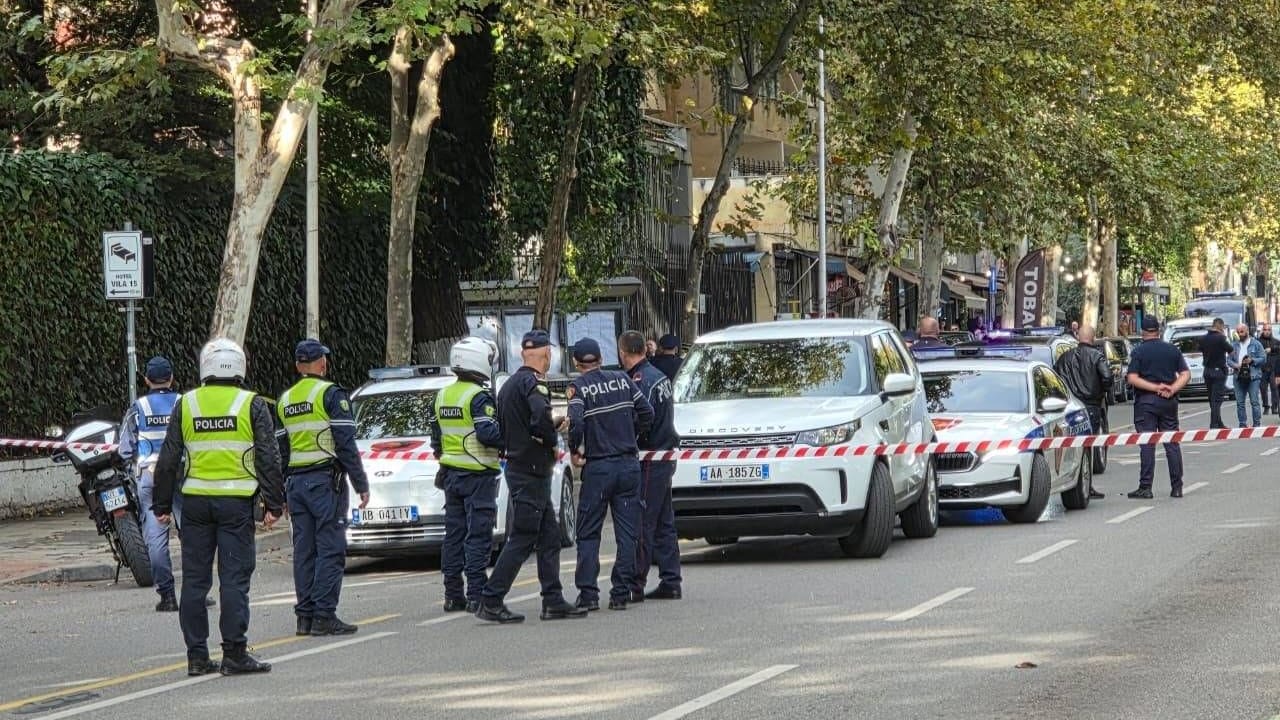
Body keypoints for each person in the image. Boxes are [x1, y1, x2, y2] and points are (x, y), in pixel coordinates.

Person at [152, 338, 284, 676]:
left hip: (195, 505)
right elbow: (268, 456)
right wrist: (274, 503)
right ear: (239, 367)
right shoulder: (251, 404)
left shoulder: (187, 403)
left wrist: (161, 504)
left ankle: (197, 656)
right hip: (236, 505)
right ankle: (234, 653)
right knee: (234, 580)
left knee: (195, 582)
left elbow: (168, 459)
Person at [478, 329, 585, 624]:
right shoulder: (535, 383)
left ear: (523, 353)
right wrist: (551, 439)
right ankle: (491, 599)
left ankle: (553, 600)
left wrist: (541, 430)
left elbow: (512, 425)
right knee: (523, 537)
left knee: (549, 537)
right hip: (531, 471)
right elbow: (538, 418)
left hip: (518, 466)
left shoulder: (509, 385)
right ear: (547, 354)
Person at [276, 339, 370, 637]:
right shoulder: (330, 394)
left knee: (304, 552)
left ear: (297, 366)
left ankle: (305, 617)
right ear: (322, 363)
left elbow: (281, 451)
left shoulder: (285, 400)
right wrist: (361, 483)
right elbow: (345, 443)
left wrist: (281, 493)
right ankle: (324, 615)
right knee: (330, 549)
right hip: (324, 483)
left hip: (296, 484)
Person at [118, 356, 215, 612]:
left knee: (156, 538)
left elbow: (124, 449)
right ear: (171, 378)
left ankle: (168, 596)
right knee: (193, 535)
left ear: (146, 380)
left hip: (150, 476)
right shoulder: (185, 402)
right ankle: (197, 593)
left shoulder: (138, 407)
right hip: (184, 474)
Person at [567, 337, 654, 611]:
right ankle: (620, 593)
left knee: (588, 533)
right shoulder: (622, 379)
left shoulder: (578, 387)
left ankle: (588, 594)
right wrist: (632, 434)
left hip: (599, 469)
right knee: (627, 533)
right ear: (601, 359)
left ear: (576, 363)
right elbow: (647, 412)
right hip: (628, 465)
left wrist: (574, 449)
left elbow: (576, 421)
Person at [431, 337, 503, 614]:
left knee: (454, 536)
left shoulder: (443, 395)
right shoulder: (478, 397)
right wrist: (510, 438)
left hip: (451, 476)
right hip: (478, 476)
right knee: (478, 536)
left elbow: (436, 439)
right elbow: (488, 434)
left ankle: (452, 595)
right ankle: (476, 594)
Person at [618, 331, 682, 602]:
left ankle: (636, 583)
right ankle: (671, 579)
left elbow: (641, 418)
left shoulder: (640, 381)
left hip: (648, 458)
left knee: (643, 522)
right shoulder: (659, 376)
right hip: (664, 455)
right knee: (664, 521)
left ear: (623, 353)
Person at [1124, 316, 1190, 499]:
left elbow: (1132, 378)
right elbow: (1185, 374)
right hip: (1169, 402)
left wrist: (1155, 388)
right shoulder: (1172, 350)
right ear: (1158, 330)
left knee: (1147, 443)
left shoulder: (1138, 352)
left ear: (1143, 331)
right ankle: (1177, 487)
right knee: (1172, 443)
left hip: (1146, 402)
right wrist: (1172, 389)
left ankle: (1145, 487)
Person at [1053, 326, 1111, 499]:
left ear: (1078, 337)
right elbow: (1107, 377)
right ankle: (1086, 485)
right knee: (1087, 447)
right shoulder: (1096, 356)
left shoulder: (1065, 358)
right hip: (1091, 407)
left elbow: (1055, 381)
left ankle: (1073, 481)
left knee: (1072, 446)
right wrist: (1101, 392)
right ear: (1093, 338)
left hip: (1070, 408)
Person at [1228, 323, 1265, 428]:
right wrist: (1236, 365)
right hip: (1238, 377)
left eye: (1242, 332)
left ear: (1247, 331)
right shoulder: (1234, 345)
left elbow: (1263, 359)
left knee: (1254, 401)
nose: (1240, 334)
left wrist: (1252, 360)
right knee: (1240, 403)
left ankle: (1256, 424)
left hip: (1253, 377)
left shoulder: (1256, 344)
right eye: (1238, 332)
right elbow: (1228, 360)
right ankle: (1242, 424)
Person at [1198, 318, 1233, 429]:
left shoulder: (1203, 338)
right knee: (1217, 400)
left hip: (1207, 371)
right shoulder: (1221, 338)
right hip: (1218, 371)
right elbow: (1231, 350)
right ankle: (1214, 425)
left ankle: (1218, 422)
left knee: (1212, 399)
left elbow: (1200, 349)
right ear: (1220, 326)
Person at [1257, 324, 1277, 413]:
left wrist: (1272, 349)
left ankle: (1274, 407)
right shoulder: (1257, 342)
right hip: (1262, 369)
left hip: (1273, 369)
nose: (1267, 331)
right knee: (1263, 389)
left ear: (1271, 331)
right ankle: (1266, 406)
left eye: (1269, 330)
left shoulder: (1276, 341)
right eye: (1265, 330)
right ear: (1262, 330)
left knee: (1274, 388)